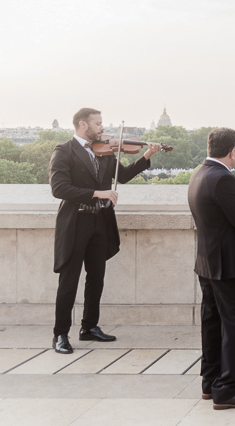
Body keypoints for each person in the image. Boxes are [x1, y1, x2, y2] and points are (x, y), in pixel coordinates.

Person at [48, 108, 162, 354]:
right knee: (69, 281)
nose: (102, 128)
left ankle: (89, 327)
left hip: (100, 221)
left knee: (96, 277)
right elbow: (59, 188)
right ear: (82, 125)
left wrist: (147, 155)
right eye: (98, 124)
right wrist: (96, 193)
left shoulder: (105, 151)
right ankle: (60, 334)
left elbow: (124, 175)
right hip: (76, 222)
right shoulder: (63, 151)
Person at [187, 127, 235, 410]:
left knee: (212, 323)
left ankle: (210, 382)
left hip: (206, 261)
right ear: (232, 151)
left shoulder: (198, 174)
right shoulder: (224, 179)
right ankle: (228, 387)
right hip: (228, 264)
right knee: (234, 323)